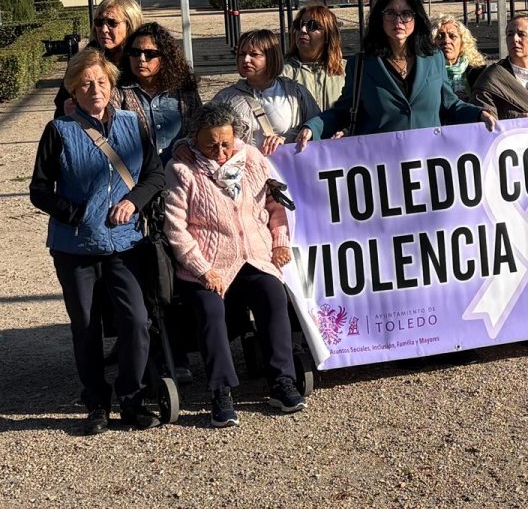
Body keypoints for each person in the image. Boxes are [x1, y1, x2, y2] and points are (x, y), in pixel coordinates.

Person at [30, 48, 165, 434]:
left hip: (125, 243)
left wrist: (133, 201)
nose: (95, 90)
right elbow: (40, 189)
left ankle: (132, 399)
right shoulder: (59, 131)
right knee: (86, 326)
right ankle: (96, 403)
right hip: (75, 247)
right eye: (86, 83)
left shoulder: (132, 124)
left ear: (112, 85)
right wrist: (76, 214)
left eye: (102, 82)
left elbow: (155, 175)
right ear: (73, 89)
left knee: (136, 321)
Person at [162, 102, 304, 427]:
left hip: (253, 256)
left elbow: (276, 204)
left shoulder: (252, 158)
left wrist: (280, 243)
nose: (220, 153)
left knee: (273, 294)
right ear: (195, 139)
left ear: (235, 137)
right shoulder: (182, 170)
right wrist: (202, 269)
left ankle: (281, 380)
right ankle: (221, 390)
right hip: (207, 263)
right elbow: (176, 229)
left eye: (225, 143)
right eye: (210, 145)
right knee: (211, 309)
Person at [298, 0, 494, 145]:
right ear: (380, 19)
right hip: (381, 164)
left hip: (428, 160)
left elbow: (450, 104)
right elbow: (343, 111)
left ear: (416, 19)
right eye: (391, 13)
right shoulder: (361, 65)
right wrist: (312, 128)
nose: (398, 21)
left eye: (406, 14)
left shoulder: (434, 59)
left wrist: (479, 114)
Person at [214, 29, 320, 156]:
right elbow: (205, 138)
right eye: (242, 54)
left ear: (271, 57)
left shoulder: (296, 94)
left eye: (254, 54)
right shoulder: (225, 99)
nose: (246, 59)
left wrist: (288, 141)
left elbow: (317, 130)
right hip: (246, 168)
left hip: (286, 167)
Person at [116, 22, 203, 164]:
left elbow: (201, 128)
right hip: (140, 173)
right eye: (135, 52)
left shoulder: (185, 91)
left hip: (181, 170)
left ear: (165, 57)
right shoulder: (118, 91)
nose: (141, 59)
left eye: (150, 54)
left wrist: (187, 145)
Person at [54, 0, 144, 117]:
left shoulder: (145, 57)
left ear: (130, 25)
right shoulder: (83, 61)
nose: (104, 29)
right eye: (99, 22)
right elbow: (63, 101)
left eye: (112, 23)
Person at [471, 15, 528, 119]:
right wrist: (515, 122)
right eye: (510, 34)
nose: (515, 39)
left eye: (522, 34)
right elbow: (484, 122)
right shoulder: (491, 79)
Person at [280, 6, 346, 111]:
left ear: (328, 35)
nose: (303, 30)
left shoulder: (348, 71)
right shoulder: (280, 73)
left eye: (312, 25)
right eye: (299, 24)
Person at [435, 14, 488, 99]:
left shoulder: (478, 71)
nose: (446, 41)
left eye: (452, 36)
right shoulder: (425, 72)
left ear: (462, 43)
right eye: (440, 36)